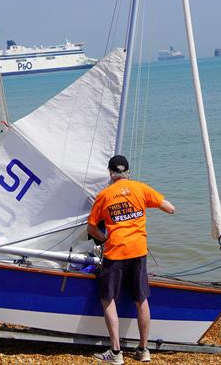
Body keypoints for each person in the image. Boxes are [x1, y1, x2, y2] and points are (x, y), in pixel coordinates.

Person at [87, 155, 175, 364]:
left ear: (110, 173)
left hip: (115, 251)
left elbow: (91, 228)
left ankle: (116, 353)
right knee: (141, 300)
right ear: (128, 172)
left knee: (107, 299)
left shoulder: (104, 195)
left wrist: (104, 237)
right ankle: (143, 350)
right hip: (138, 251)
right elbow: (170, 208)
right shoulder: (141, 189)